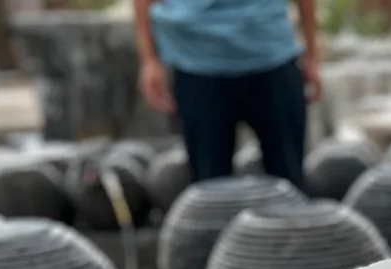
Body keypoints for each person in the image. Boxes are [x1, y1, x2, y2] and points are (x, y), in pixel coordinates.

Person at [132, 0, 320, 191]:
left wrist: (312, 55)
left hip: (272, 56)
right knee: (209, 187)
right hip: (197, 64)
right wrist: (149, 60)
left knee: (289, 181)